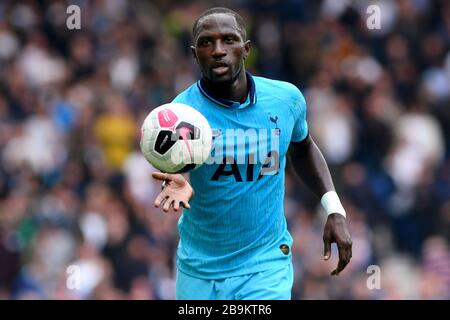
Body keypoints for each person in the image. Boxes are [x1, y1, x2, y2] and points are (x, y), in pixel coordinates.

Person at [151, 7, 352, 300]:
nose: (218, 50)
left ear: (246, 49)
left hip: (265, 263)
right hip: (200, 268)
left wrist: (334, 209)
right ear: (195, 54)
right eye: (207, 43)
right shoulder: (181, 113)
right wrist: (179, 179)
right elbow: (173, 169)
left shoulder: (285, 100)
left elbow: (303, 146)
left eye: (228, 40)